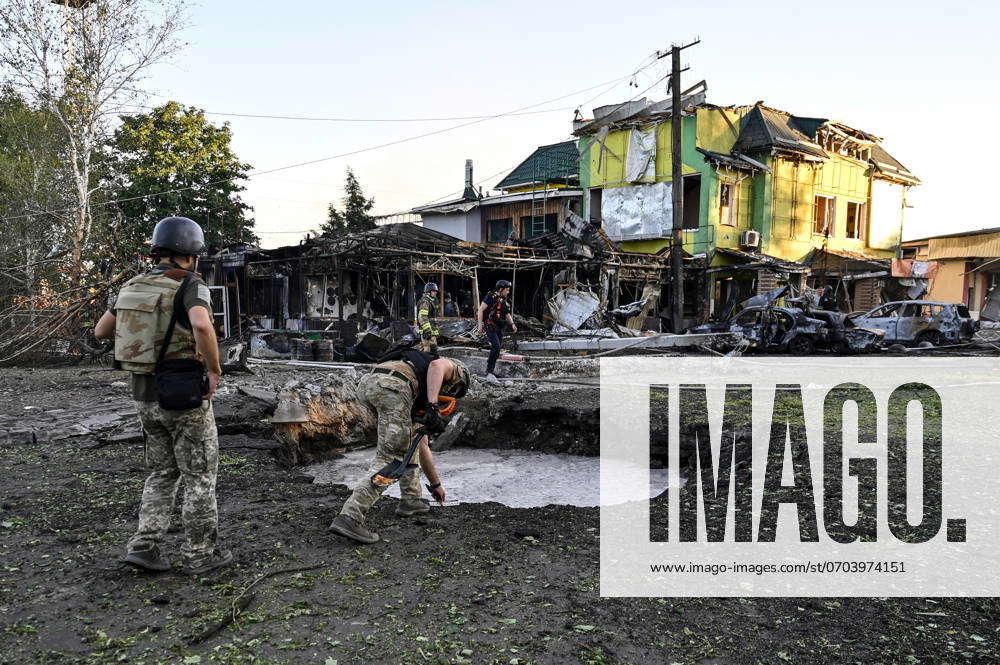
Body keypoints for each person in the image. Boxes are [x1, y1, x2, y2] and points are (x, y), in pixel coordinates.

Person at [93, 216, 231, 575]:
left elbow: (101, 331)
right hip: (184, 395)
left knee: (161, 473)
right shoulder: (190, 285)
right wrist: (214, 369)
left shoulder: (131, 285)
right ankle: (200, 554)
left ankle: (144, 546)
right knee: (199, 475)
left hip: (144, 397)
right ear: (192, 253)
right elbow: (201, 324)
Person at [329, 350, 471, 544]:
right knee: (392, 456)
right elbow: (437, 367)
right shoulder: (457, 370)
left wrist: (435, 485)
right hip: (393, 387)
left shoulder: (415, 386)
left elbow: (421, 446)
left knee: (408, 440)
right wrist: (432, 405)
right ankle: (350, 516)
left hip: (371, 384)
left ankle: (411, 500)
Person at [477, 279, 517, 380]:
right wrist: (480, 326)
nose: (508, 292)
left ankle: (491, 370)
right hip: (489, 325)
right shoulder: (490, 297)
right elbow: (481, 310)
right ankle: (489, 370)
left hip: (499, 326)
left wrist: (512, 324)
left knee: (498, 349)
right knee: (496, 346)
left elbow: (507, 314)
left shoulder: (503, 300)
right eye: (506, 290)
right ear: (500, 289)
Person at [416, 282, 440, 354]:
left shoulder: (431, 301)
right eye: (433, 291)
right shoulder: (425, 301)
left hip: (431, 331)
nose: (435, 293)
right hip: (427, 333)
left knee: (428, 351)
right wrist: (427, 330)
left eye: (436, 291)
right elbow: (422, 316)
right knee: (429, 352)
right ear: (428, 292)